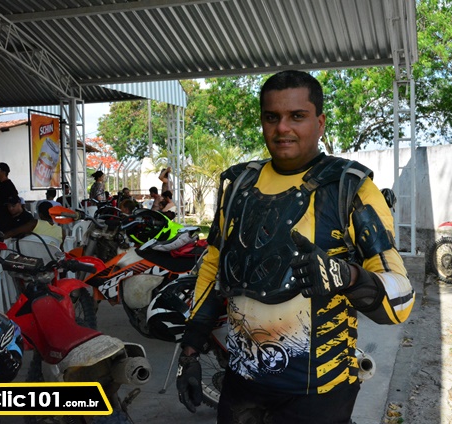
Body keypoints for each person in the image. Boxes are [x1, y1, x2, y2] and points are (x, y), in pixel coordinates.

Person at [176, 70, 415, 424]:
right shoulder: (239, 185)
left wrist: (349, 277)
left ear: (320, 123)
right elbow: (214, 268)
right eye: (272, 117)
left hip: (319, 394)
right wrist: (190, 351)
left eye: (297, 116)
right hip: (241, 384)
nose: (282, 128)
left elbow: (401, 301)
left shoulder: (351, 189)